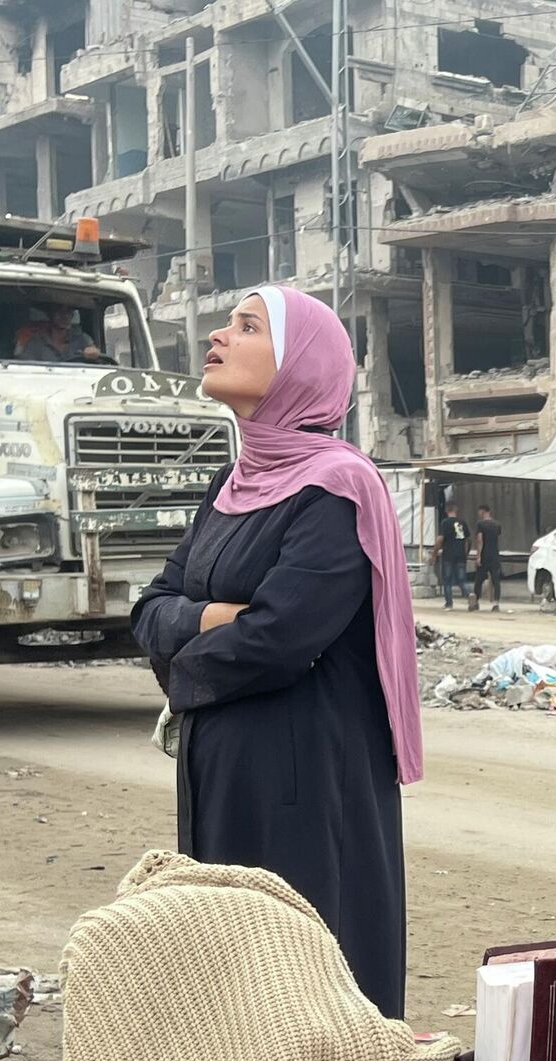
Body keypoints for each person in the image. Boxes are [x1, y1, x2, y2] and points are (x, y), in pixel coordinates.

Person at [132, 286, 423, 1019]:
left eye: (247, 326)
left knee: (301, 971)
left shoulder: (337, 487)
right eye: (228, 322)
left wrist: (188, 629)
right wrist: (211, 616)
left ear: (300, 364)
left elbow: (279, 638)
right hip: (221, 767)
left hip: (303, 778)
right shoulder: (231, 486)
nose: (219, 335)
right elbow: (147, 609)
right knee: (228, 975)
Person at [17, 305, 101, 363]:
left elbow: (96, 356)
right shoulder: (36, 342)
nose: (65, 316)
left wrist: (93, 353)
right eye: (60, 311)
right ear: (50, 314)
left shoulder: (82, 339)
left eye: (69, 311)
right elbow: (26, 367)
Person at [435, 502, 469, 609]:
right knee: (461, 579)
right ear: (456, 510)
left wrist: (434, 553)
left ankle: (449, 603)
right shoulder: (462, 522)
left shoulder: (445, 522)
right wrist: (465, 552)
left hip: (448, 555)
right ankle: (469, 596)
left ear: (446, 511)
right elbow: (468, 539)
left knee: (447, 580)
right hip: (461, 555)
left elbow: (440, 539)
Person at [470, 504, 503, 613]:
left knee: (478, 580)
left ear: (483, 512)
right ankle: (496, 604)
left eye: (480, 512)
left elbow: (480, 540)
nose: (479, 514)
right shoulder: (497, 524)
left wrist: (478, 556)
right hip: (495, 555)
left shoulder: (480, 524)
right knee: (496, 580)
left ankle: (476, 602)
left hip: (484, 555)